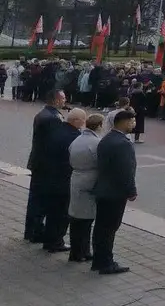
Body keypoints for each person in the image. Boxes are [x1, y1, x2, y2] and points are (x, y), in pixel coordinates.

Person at [93, 110, 138, 275]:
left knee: (101, 227)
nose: (134, 124)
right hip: (115, 192)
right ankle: (106, 263)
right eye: (132, 121)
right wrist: (131, 190)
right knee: (110, 228)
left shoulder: (107, 139)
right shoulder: (123, 143)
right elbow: (126, 171)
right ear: (124, 122)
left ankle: (98, 260)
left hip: (103, 189)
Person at [40, 107, 86, 252]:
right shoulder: (74, 136)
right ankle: (56, 242)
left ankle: (48, 240)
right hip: (64, 180)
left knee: (52, 212)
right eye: (83, 120)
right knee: (61, 214)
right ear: (76, 121)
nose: (84, 123)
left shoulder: (57, 131)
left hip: (49, 177)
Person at [25, 89, 66, 243]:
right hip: (47, 166)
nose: (65, 101)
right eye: (63, 98)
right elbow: (55, 144)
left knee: (35, 199)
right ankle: (36, 232)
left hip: (39, 163)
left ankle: (31, 231)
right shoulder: (53, 118)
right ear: (55, 100)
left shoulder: (43, 114)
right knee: (41, 201)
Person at [68, 113, 105, 263]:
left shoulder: (78, 139)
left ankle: (79, 250)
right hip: (89, 180)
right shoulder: (96, 143)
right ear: (99, 126)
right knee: (85, 220)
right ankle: (80, 252)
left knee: (77, 217)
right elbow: (100, 162)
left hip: (76, 177)